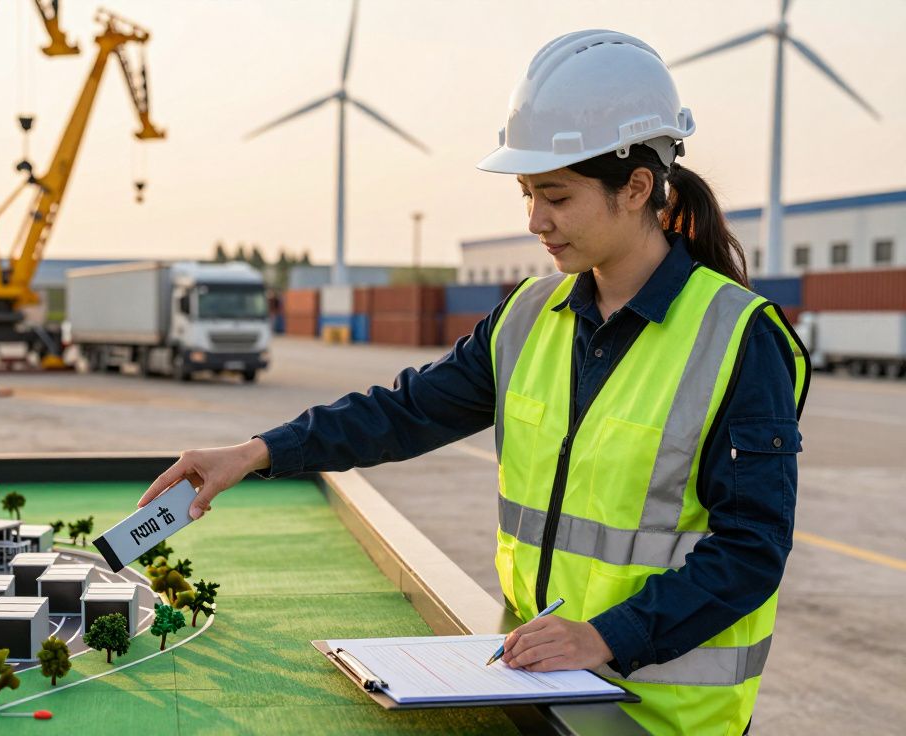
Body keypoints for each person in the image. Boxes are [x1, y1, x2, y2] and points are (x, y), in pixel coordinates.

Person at [138, 29, 808, 736]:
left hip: (662, 716)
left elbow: (750, 549)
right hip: (541, 685)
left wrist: (608, 636)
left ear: (636, 187)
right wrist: (255, 452)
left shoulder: (739, 338)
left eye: (555, 196)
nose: (535, 221)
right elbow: (403, 413)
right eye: (526, 194)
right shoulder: (529, 315)